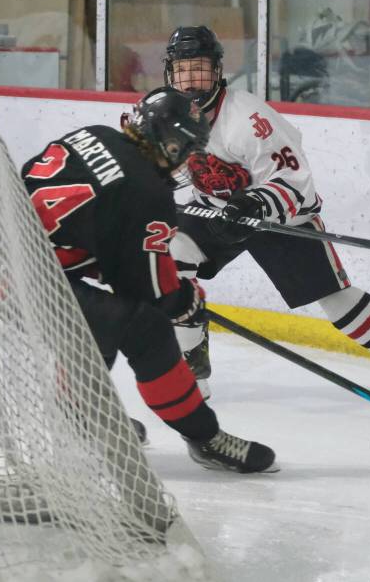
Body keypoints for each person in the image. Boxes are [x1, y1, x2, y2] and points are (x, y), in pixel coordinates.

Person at [161, 26, 370, 405]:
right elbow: (169, 168)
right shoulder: (169, 112)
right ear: (170, 73)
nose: (190, 80)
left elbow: (295, 182)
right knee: (173, 257)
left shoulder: (248, 120)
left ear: (217, 71)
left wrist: (255, 203)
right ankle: (194, 368)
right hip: (214, 211)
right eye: (182, 70)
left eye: (199, 69)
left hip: (276, 217)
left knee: (339, 302)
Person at [21, 87, 277, 474]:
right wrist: (184, 298)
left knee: (109, 318)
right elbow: (150, 292)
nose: (185, 160)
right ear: (170, 143)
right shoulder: (146, 191)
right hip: (28, 276)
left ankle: (83, 417)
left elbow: (89, 231)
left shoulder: (93, 133)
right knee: (142, 327)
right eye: (185, 149)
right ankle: (203, 437)